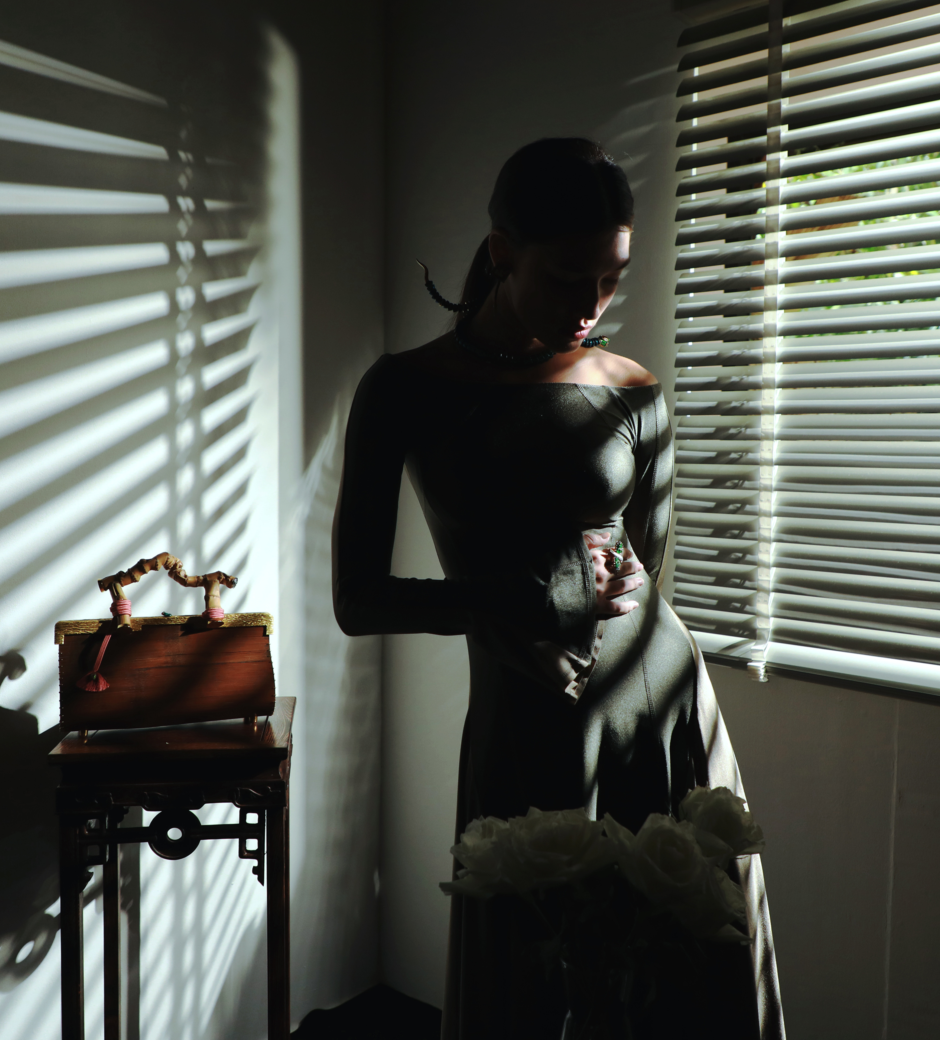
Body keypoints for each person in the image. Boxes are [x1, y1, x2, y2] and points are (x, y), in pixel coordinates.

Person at [333, 138, 783, 1039]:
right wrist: (508, 607)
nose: (594, 304)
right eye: (569, 275)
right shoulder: (406, 388)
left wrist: (598, 591)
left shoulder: (633, 389)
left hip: (658, 702)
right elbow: (359, 600)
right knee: (530, 982)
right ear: (502, 254)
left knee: (688, 977)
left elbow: (648, 569)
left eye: (611, 279)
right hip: (528, 713)